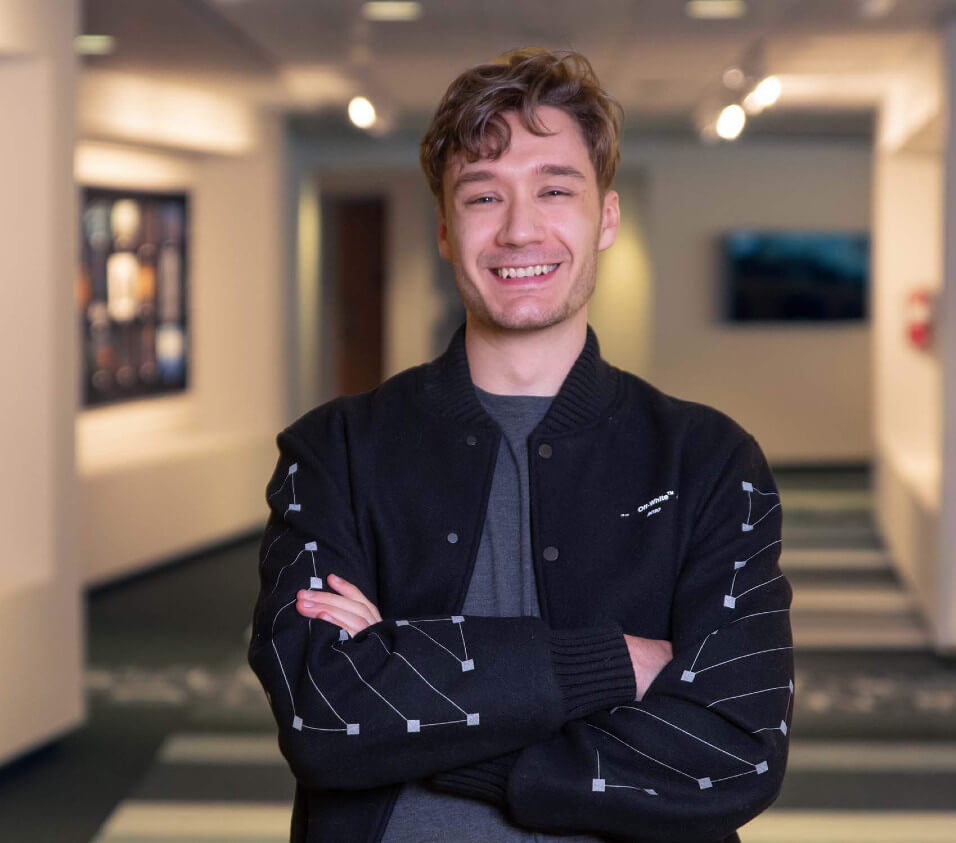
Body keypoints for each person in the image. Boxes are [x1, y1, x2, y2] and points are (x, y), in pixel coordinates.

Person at [247, 48, 793, 842]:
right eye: (482, 195)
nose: (519, 229)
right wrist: (606, 666)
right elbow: (324, 713)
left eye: (555, 189)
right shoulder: (332, 451)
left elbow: (734, 751)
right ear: (444, 228)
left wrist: (410, 691)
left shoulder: (709, 461)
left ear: (606, 216)